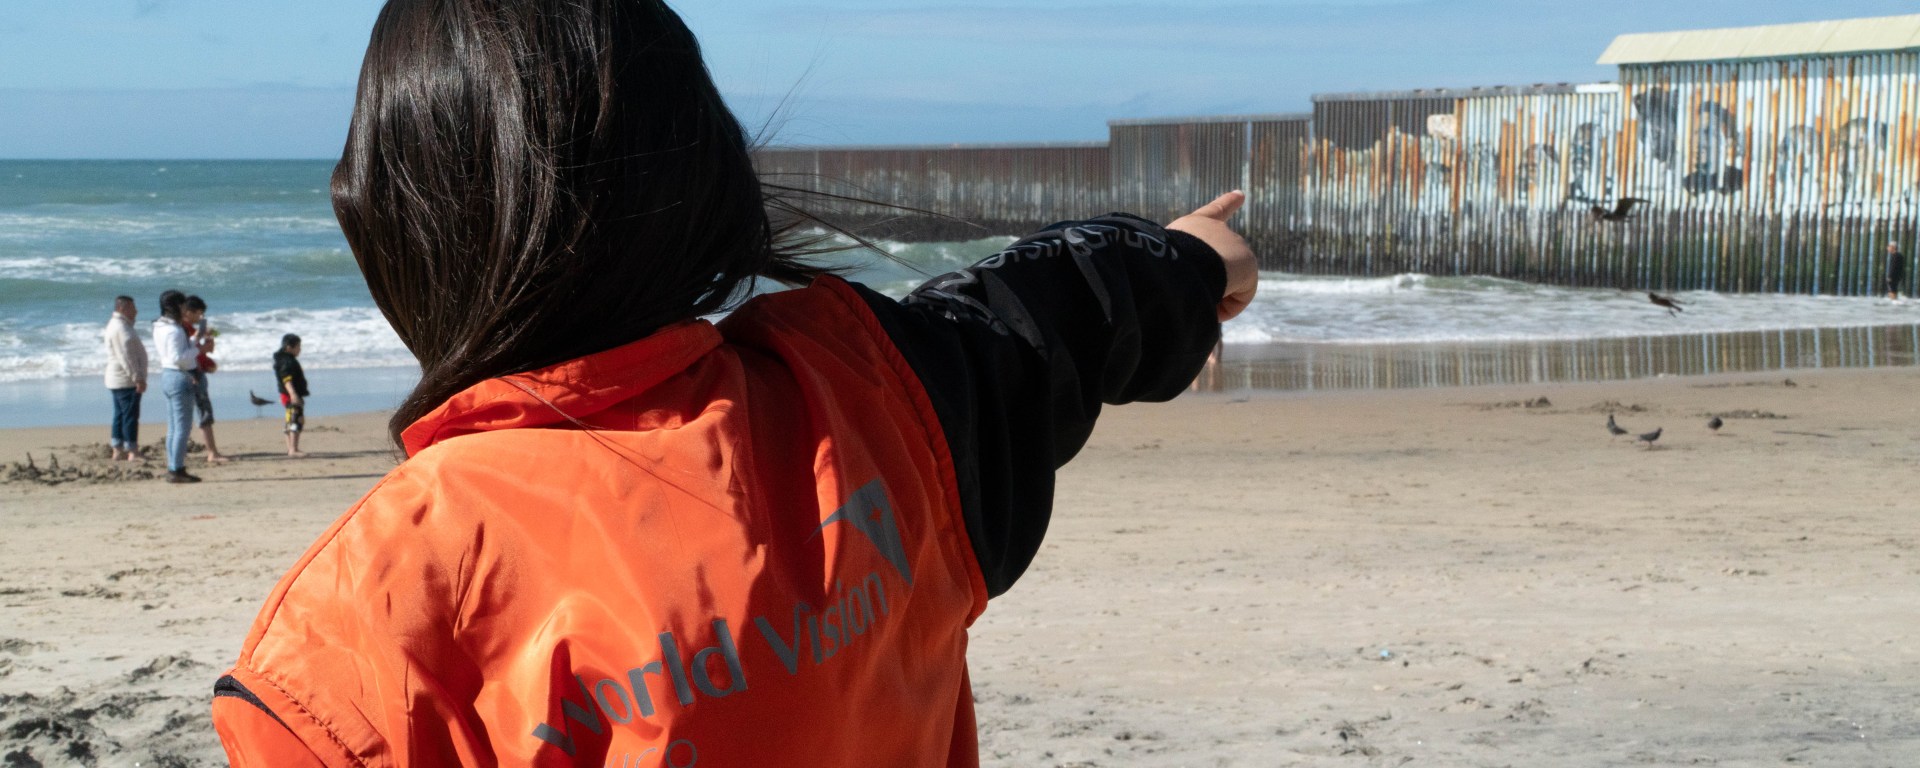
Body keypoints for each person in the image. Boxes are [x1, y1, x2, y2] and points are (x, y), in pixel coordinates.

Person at [210, 1, 1257, 765]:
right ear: (704, 173)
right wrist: (1197, 261)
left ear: (388, 222)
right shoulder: (870, 394)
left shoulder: (370, 614)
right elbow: (1057, 307)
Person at [152, 289, 209, 483]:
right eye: (183, 305)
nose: (185, 309)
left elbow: (177, 352)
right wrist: (200, 349)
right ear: (176, 306)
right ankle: (176, 469)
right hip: (179, 376)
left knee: (173, 427)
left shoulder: (161, 326)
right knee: (182, 428)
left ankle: (173, 466)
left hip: (168, 375)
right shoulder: (174, 330)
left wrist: (195, 340)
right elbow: (178, 358)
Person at [183, 295, 230, 464]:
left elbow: (198, 351)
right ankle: (212, 452)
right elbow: (195, 353)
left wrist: (205, 341)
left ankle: (181, 452)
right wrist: (205, 349)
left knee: (184, 414)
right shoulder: (186, 330)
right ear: (189, 312)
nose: (200, 317)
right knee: (204, 412)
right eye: (199, 314)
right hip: (194, 373)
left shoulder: (184, 329)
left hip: (185, 373)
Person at [102, 295, 149, 462]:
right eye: (132, 308)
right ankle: (132, 450)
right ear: (122, 308)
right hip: (124, 379)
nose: (136, 311)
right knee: (130, 415)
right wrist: (138, 378)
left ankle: (118, 448)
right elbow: (126, 357)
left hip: (119, 378)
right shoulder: (120, 327)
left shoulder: (121, 325)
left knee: (121, 414)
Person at [272, 334, 308, 457]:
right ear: (289, 347)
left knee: (290, 420)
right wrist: (293, 394)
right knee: (295, 420)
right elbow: (286, 379)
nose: (300, 349)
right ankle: (293, 449)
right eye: (298, 346)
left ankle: (290, 449)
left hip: (286, 394)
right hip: (290, 394)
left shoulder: (284, 359)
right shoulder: (287, 361)